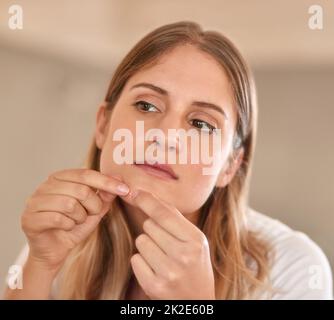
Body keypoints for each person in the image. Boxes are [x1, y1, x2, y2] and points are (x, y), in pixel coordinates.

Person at [3, 21, 333, 300]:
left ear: (230, 165)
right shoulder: (64, 236)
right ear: (103, 125)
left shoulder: (293, 269)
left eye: (201, 123)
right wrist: (41, 263)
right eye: (147, 105)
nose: (165, 136)